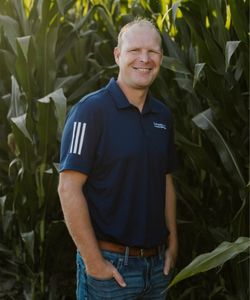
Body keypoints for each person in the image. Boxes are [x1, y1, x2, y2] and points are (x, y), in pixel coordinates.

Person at [58, 18, 178, 300]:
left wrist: (173, 244)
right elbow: (68, 188)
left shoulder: (162, 116)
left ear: (161, 57)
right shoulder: (90, 111)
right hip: (111, 270)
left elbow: (166, 180)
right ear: (117, 55)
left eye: (153, 52)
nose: (145, 59)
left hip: (157, 268)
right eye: (135, 50)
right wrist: (94, 262)